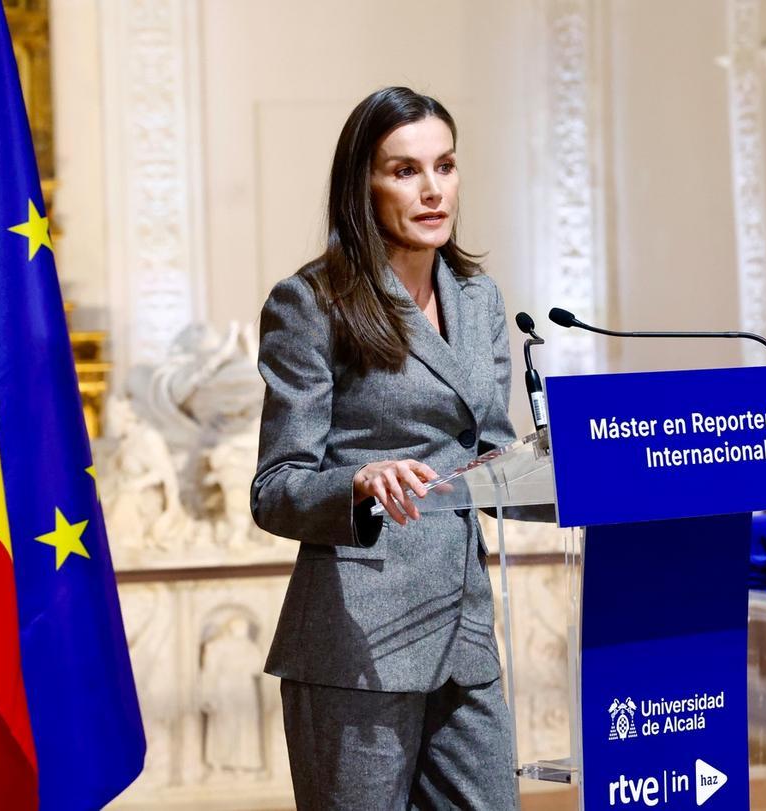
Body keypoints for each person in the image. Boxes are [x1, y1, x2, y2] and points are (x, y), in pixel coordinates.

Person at [249, 86, 519, 809]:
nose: (433, 190)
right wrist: (360, 481)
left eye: (446, 165)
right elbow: (275, 485)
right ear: (361, 185)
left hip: (465, 632)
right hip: (358, 639)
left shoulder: (478, 297)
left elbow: (494, 452)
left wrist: (593, 467)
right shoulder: (312, 301)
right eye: (405, 170)